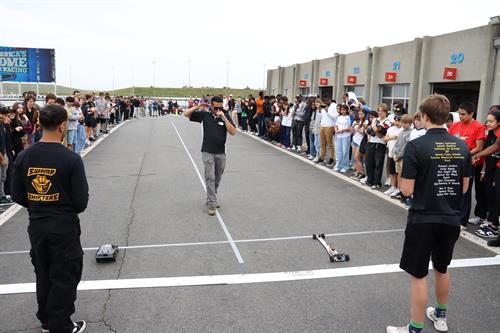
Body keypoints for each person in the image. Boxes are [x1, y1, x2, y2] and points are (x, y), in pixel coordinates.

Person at [387, 94, 471, 333]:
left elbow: (406, 189)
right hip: (451, 218)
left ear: (424, 116)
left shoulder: (417, 145)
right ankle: (440, 316)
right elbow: (464, 188)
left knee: (419, 274)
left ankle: (414, 328)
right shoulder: (461, 145)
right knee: (442, 268)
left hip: (424, 217)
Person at [11, 104, 89, 333]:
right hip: (63, 225)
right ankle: (60, 325)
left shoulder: (25, 156)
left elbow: (17, 195)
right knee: (65, 274)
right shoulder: (71, 159)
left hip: (36, 223)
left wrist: (38, 204)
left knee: (43, 272)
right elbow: (80, 202)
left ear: (40, 124)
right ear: (63, 125)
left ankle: (47, 319)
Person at [183, 96, 236, 216]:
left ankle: (212, 196)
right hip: (207, 151)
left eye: (220, 107)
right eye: (216, 107)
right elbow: (186, 114)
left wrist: (223, 117)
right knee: (210, 177)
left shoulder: (225, 115)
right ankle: (212, 203)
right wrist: (198, 106)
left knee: (218, 177)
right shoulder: (205, 115)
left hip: (221, 152)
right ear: (211, 106)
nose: (218, 109)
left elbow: (233, 132)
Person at [447, 102, 485, 230]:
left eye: (463, 114)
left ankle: (463, 220)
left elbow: (479, 147)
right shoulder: (456, 125)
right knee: (453, 188)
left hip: (469, 162)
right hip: (454, 161)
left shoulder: (478, 127)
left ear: (471, 114)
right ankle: (453, 214)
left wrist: (464, 154)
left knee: (465, 190)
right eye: (459, 113)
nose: (460, 116)